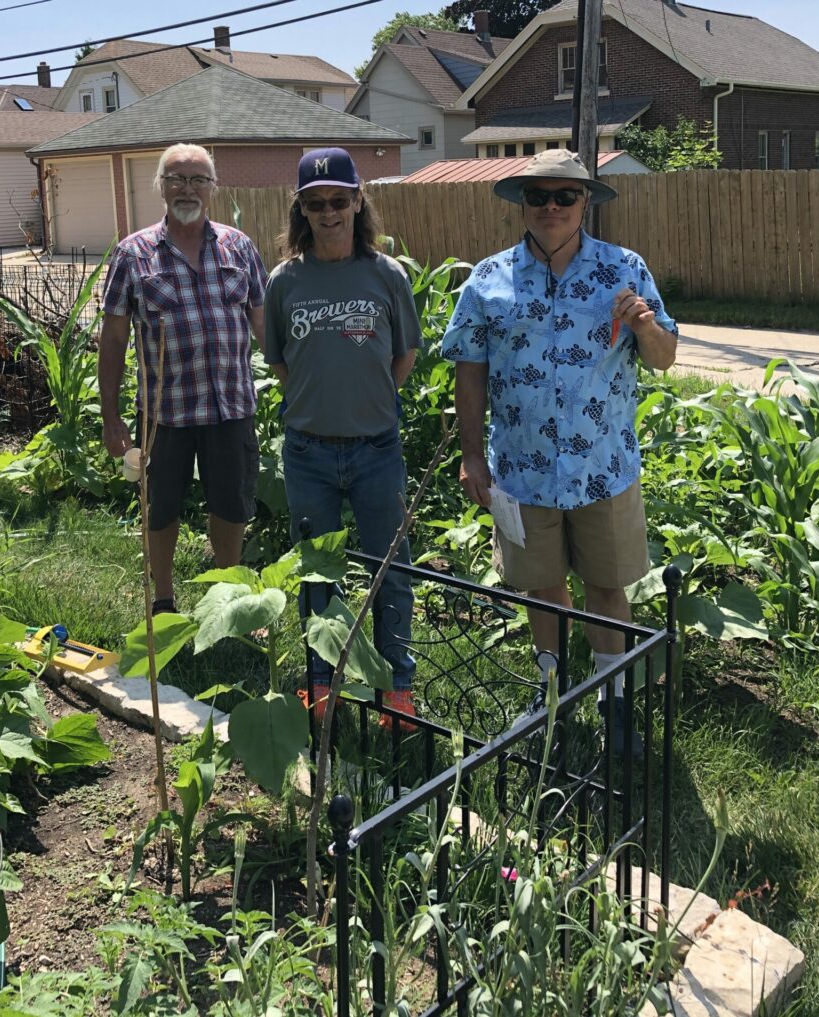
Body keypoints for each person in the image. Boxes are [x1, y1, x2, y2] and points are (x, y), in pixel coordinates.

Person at [441, 149, 678, 755]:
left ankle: (613, 699)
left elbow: (663, 357)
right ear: (523, 203)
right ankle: (549, 692)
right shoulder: (488, 279)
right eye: (538, 196)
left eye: (564, 196)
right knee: (544, 587)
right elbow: (469, 372)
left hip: (604, 467)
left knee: (605, 585)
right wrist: (473, 457)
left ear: (585, 204)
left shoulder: (623, 271)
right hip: (522, 469)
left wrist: (646, 325)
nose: (550, 206)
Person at [264, 147, 423, 726]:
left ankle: (397, 686)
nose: (328, 212)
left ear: (358, 201)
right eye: (315, 202)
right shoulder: (285, 281)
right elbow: (281, 360)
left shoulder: (386, 275)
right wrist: (318, 399)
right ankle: (322, 680)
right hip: (308, 453)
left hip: (376, 449)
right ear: (301, 209)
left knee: (391, 567)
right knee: (316, 573)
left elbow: (403, 354)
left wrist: (369, 399)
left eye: (338, 200)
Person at [99, 143, 267, 614]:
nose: (186, 188)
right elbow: (112, 341)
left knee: (231, 508)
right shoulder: (133, 255)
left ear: (214, 188)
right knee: (161, 508)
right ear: (160, 186)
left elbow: (264, 324)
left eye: (197, 179)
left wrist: (301, 381)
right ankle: (164, 599)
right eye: (176, 178)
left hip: (231, 408)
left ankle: (228, 601)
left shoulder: (240, 247)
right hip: (164, 413)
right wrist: (112, 420)